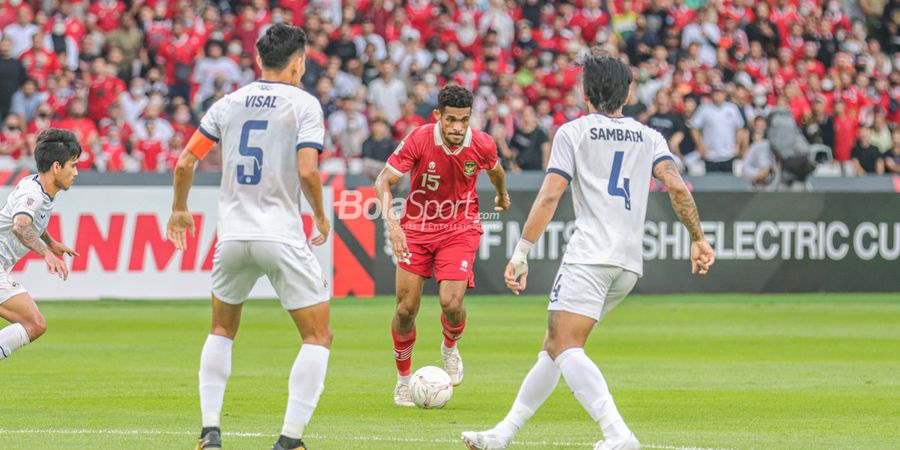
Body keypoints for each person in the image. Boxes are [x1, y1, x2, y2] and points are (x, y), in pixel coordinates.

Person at [462, 54, 715, 450]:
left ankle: (618, 434)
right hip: (628, 264)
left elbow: (550, 196)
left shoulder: (573, 132)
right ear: (628, 92)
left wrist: (521, 252)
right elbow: (678, 187)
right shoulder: (650, 137)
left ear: (585, 92)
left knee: (565, 345)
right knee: (555, 345)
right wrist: (697, 238)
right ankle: (502, 433)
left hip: (589, 255)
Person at [166, 24, 332, 450]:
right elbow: (308, 170)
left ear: (259, 60)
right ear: (299, 62)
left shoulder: (228, 103)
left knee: (221, 329)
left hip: (233, 235)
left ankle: (210, 431)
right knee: (317, 337)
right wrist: (318, 213)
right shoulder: (305, 104)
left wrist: (180, 209)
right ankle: (290, 439)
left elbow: (186, 163)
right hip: (280, 233)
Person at [374, 84, 510, 406]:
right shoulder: (420, 138)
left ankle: (449, 347)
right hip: (417, 227)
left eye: (464, 120)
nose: (458, 128)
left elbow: (496, 171)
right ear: (438, 116)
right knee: (406, 310)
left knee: (451, 303)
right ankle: (403, 381)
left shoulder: (482, 143)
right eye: (451, 120)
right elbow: (384, 180)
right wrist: (392, 223)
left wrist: (502, 194)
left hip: (459, 226)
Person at [0, 128, 80, 362]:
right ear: (57, 167)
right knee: (34, 324)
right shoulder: (33, 194)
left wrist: (51, 242)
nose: (75, 173)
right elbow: (20, 226)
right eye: (72, 165)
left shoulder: (36, 186)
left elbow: (31, 221)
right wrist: (47, 254)